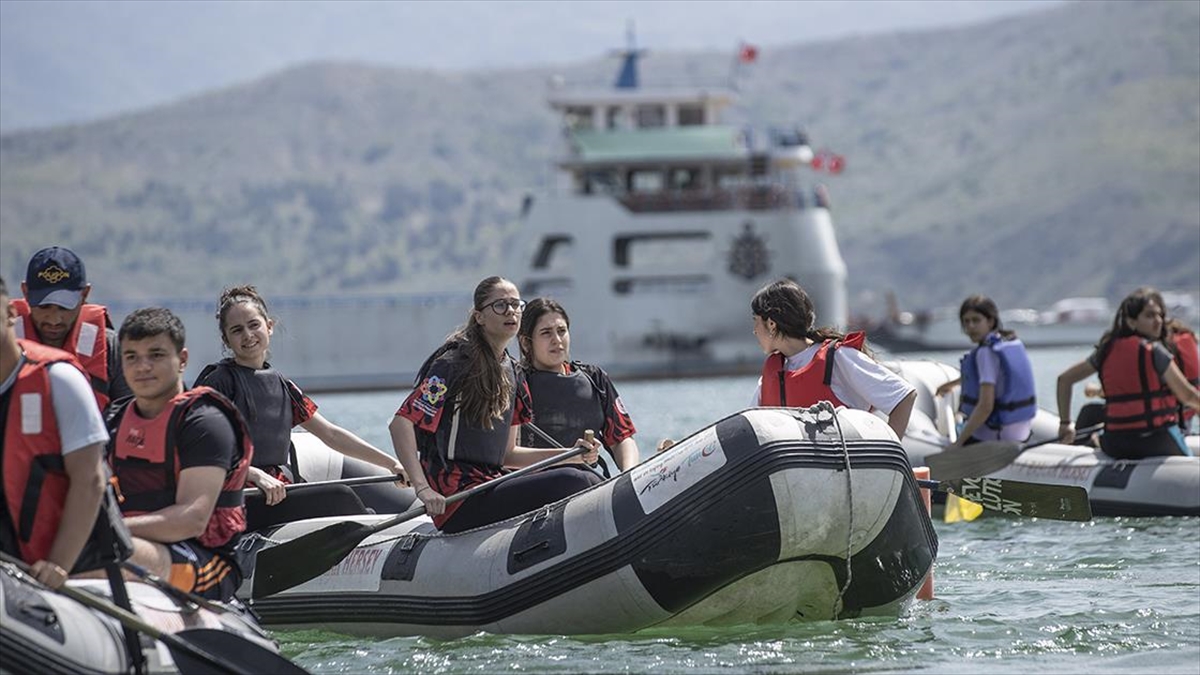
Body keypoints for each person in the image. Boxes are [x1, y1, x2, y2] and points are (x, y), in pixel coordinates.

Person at [389, 276, 601, 534]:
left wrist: (571, 454)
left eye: (515, 304)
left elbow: (507, 455)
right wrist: (423, 489)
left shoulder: (512, 371)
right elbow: (401, 423)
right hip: (458, 499)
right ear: (479, 317)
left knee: (582, 472)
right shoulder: (453, 363)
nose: (511, 311)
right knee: (574, 481)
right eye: (500, 305)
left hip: (493, 484)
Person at [193, 286, 405, 529]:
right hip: (236, 498)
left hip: (275, 492)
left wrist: (391, 463)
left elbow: (331, 434)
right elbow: (200, 447)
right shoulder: (218, 382)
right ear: (226, 340)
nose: (248, 335)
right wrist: (253, 474)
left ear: (269, 326)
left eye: (254, 325)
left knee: (341, 499)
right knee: (338, 498)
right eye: (237, 330)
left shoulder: (283, 386)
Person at [103, 307, 252, 600]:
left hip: (206, 560)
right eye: (132, 357)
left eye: (156, 355)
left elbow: (191, 519)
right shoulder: (113, 422)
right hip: (126, 541)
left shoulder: (205, 423)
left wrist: (109, 531)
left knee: (109, 555)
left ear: (182, 360)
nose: (142, 366)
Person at [0, 276, 130, 588]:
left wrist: (58, 565)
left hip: (68, 569)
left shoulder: (60, 379)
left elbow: (90, 480)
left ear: (10, 314)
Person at [750, 279, 916, 439]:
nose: (754, 331)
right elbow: (752, 427)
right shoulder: (770, 376)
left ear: (771, 324)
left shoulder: (838, 358)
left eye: (755, 321)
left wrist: (887, 456)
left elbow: (904, 396)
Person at [1056, 288, 1200, 459]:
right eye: (1149, 316)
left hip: (1115, 443)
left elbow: (1064, 380)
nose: (1158, 321)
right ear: (1131, 322)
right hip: (1155, 441)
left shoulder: (1106, 350)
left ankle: (1093, 441)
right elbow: (1188, 396)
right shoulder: (1155, 352)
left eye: (1160, 315)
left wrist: (1065, 424)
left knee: (1090, 413)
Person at [517, 297, 640, 473]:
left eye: (561, 331)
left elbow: (622, 438)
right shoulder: (516, 384)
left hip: (586, 483)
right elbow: (505, 454)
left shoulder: (595, 378)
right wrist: (567, 456)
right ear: (526, 343)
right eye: (546, 333)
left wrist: (630, 474)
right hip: (535, 484)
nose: (557, 340)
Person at [14, 246, 132, 409]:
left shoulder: (109, 346)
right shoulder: (6, 345)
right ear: (25, 292)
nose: (54, 319)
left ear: (84, 295)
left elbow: (131, 415)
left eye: (65, 307)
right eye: (44, 307)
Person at [933, 295, 1037, 447]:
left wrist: (959, 443)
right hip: (1021, 433)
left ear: (990, 321)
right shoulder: (1007, 342)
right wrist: (953, 384)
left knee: (958, 432)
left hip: (996, 435)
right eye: (966, 322)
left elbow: (985, 406)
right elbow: (993, 377)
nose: (971, 327)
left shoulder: (985, 353)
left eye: (976, 320)